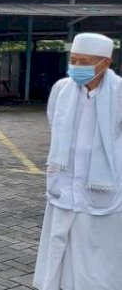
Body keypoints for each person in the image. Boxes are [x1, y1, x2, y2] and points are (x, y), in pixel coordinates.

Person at [33, 33, 122, 290]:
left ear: (104, 63)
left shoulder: (118, 93)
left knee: (98, 252)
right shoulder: (62, 89)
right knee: (61, 242)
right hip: (66, 180)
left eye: (84, 62)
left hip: (104, 185)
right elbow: (55, 123)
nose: (76, 67)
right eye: (73, 60)